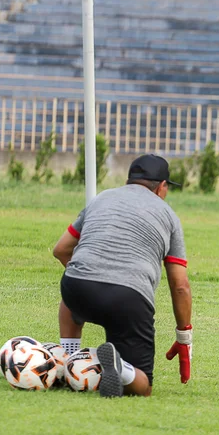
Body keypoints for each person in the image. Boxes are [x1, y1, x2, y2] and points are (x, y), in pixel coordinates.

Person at [51, 153, 193, 396]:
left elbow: (61, 250)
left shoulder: (101, 199)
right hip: (129, 299)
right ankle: (122, 368)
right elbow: (180, 286)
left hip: (77, 289)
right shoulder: (169, 216)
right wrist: (184, 337)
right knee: (143, 386)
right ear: (161, 186)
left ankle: (67, 359)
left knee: (74, 286)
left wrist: (90, 277)